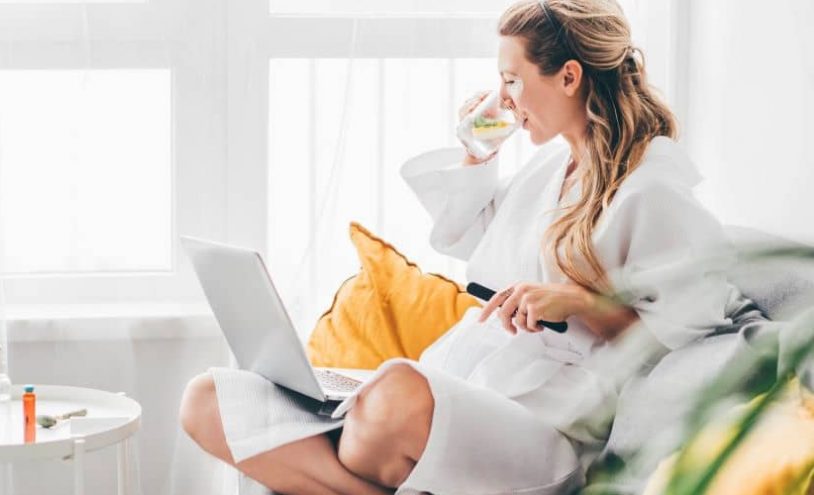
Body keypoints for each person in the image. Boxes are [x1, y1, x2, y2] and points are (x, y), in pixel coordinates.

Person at [179, 0, 742, 493]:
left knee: (392, 397)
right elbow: (477, 240)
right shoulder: (554, 168)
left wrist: (582, 302)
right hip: (478, 383)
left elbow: (686, 336)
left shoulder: (652, 187)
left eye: (513, 80)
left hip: (551, 425)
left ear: (569, 77)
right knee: (208, 399)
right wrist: (479, 152)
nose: (503, 98)